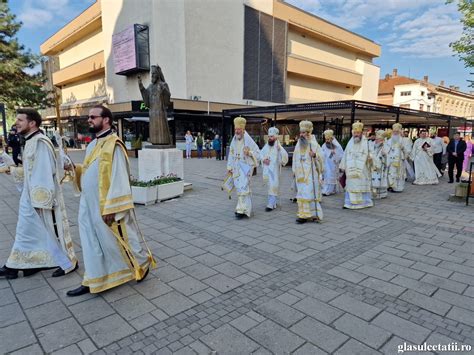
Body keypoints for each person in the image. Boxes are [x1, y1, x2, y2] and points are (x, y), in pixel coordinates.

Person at [66, 105, 155, 296]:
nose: (89, 120)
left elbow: (119, 177)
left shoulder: (114, 145)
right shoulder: (92, 144)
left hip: (106, 204)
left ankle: (141, 264)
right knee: (91, 240)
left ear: (106, 119)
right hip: (88, 203)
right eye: (88, 117)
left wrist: (112, 208)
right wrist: (75, 168)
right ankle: (95, 278)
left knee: (122, 237)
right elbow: (90, 169)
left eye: (92, 117)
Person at [0, 109, 77, 279]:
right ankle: (29, 263)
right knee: (29, 232)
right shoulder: (31, 141)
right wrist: (14, 171)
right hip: (30, 196)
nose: (16, 123)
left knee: (30, 231)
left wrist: (41, 201)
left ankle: (13, 266)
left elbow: (44, 171)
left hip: (38, 198)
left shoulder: (40, 142)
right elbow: (31, 171)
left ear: (32, 123)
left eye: (20, 120)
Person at [226, 116, 260, 219]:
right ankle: (244, 209)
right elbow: (231, 154)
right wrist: (229, 167)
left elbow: (258, 153)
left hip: (245, 168)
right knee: (239, 188)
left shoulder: (248, 140)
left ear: (243, 129)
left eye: (239, 129)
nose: (237, 131)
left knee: (244, 188)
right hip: (236, 168)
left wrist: (249, 153)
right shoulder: (234, 140)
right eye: (235, 129)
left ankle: (241, 210)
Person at [292, 121, 324, 223]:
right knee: (301, 194)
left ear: (309, 133)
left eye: (304, 133)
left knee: (308, 194)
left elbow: (322, 158)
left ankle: (310, 215)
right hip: (300, 174)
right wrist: (294, 171)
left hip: (310, 175)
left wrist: (315, 155)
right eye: (301, 133)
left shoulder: (314, 145)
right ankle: (303, 214)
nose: (302, 135)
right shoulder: (298, 144)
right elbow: (295, 158)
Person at [339, 121, 373, 209]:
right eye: (354, 133)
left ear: (361, 133)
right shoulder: (350, 143)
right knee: (351, 185)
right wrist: (342, 166)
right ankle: (349, 203)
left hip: (362, 170)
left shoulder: (367, 143)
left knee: (360, 184)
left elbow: (372, 154)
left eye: (358, 133)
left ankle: (364, 203)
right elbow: (345, 154)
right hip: (350, 169)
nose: (356, 134)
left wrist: (370, 158)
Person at [260, 127, 288, 211]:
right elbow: (260, 154)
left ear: (276, 137)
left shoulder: (278, 146)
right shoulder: (266, 145)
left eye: (271, 137)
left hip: (274, 171)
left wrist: (280, 151)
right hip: (267, 170)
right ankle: (273, 202)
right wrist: (264, 160)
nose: (270, 138)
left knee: (274, 185)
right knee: (270, 186)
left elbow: (284, 158)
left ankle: (270, 204)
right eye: (269, 137)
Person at [321, 129, 343, 196]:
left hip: (333, 164)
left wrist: (335, 154)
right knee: (326, 176)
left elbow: (341, 155)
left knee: (331, 176)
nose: (327, 141)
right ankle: (326, 189)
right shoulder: (324, 146)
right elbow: (321, 154)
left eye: (328, 139)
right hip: (326, 164)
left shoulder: (337, 146)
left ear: (332, 139)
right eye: (326, 139)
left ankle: (331, 190)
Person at [386, 123, 407, 192]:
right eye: (394, 131)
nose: (395, 133)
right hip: (390, 159)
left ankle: (397, 187)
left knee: (398, 174)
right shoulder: (389, 140)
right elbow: (386, 148)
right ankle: (390, 186)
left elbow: (406, 150)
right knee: (390, 173)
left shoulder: (402, 140)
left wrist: (403, 148)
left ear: (399, 132)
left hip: (399, 160)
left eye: (397, 132)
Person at [370, 130, 388, 199]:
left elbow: (388, 158)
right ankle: (373, 193)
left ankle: (381, 194)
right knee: (373, 179)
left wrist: (385, 156)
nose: (377, 141)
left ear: (383, 140)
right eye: (377, 139)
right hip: (373, 165)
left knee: (380, 179)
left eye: (379, 139)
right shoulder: (372, 145)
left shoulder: (386, 146)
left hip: (381, 166)